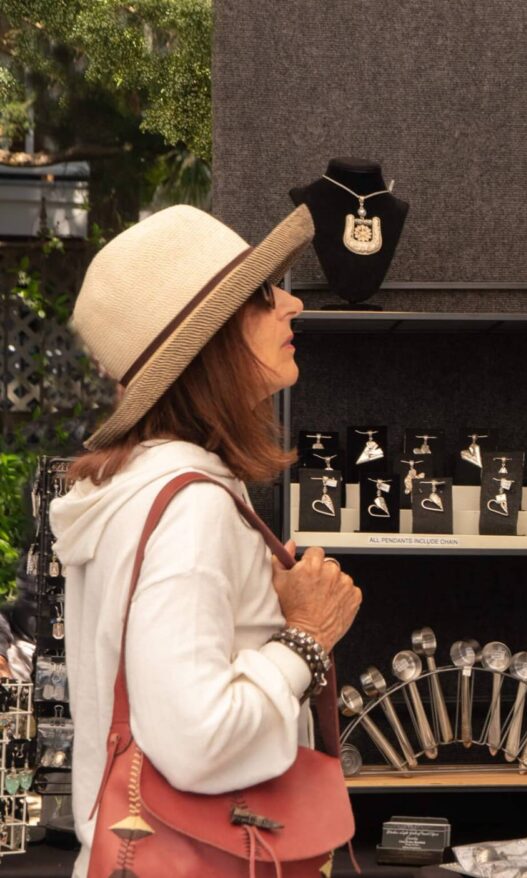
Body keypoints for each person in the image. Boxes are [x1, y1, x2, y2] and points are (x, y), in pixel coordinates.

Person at [47, 204, 362, 876]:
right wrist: (304, 640)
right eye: (260, 294)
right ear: (209, 342)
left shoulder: (136, 488)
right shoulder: (191, 506)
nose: (293, 304)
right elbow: (198, 739)